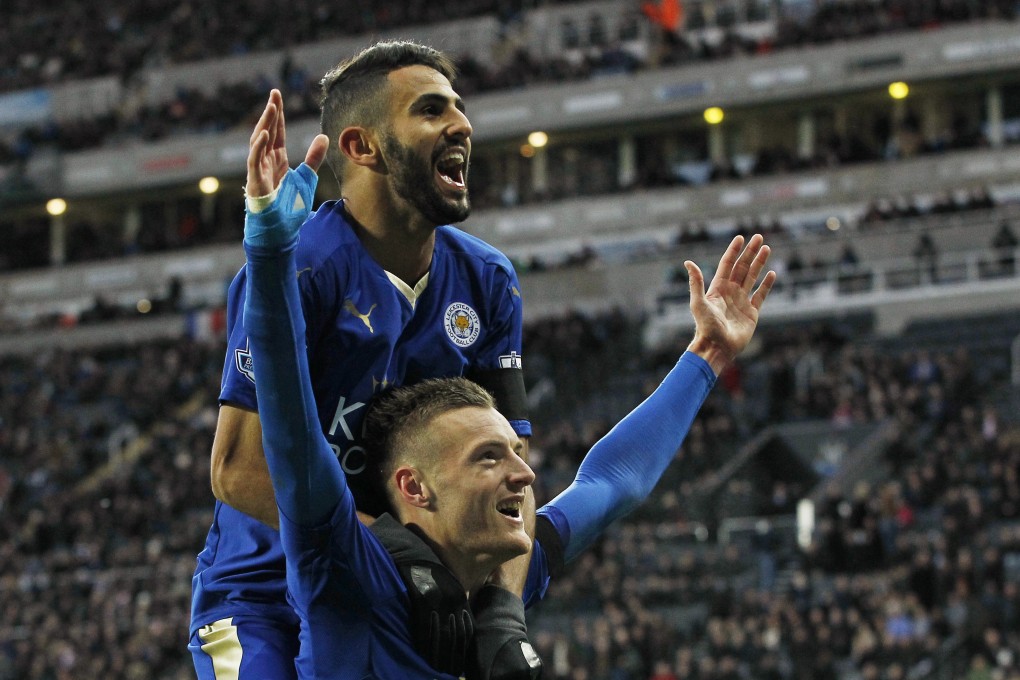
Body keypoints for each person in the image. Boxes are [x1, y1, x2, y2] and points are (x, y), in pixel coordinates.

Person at [238, 147, 775, 677]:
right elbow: (288, 422)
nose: (524, 472)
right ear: (415, 488)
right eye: (488, 458)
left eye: (512, 455)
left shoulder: (498, 565)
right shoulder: (349, 568)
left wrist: (708, 353)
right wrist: (269, 255)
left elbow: (616, 481)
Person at [190, 41, 536, 679]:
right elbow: (236, 471)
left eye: (459, 108)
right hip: (261, 596)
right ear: (362, 146)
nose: (462, 125)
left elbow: (511, 465)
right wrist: (387, 545)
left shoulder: (489, 280)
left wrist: (500, 607)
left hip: (403, 593)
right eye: (431, 111)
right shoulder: (305, 269)